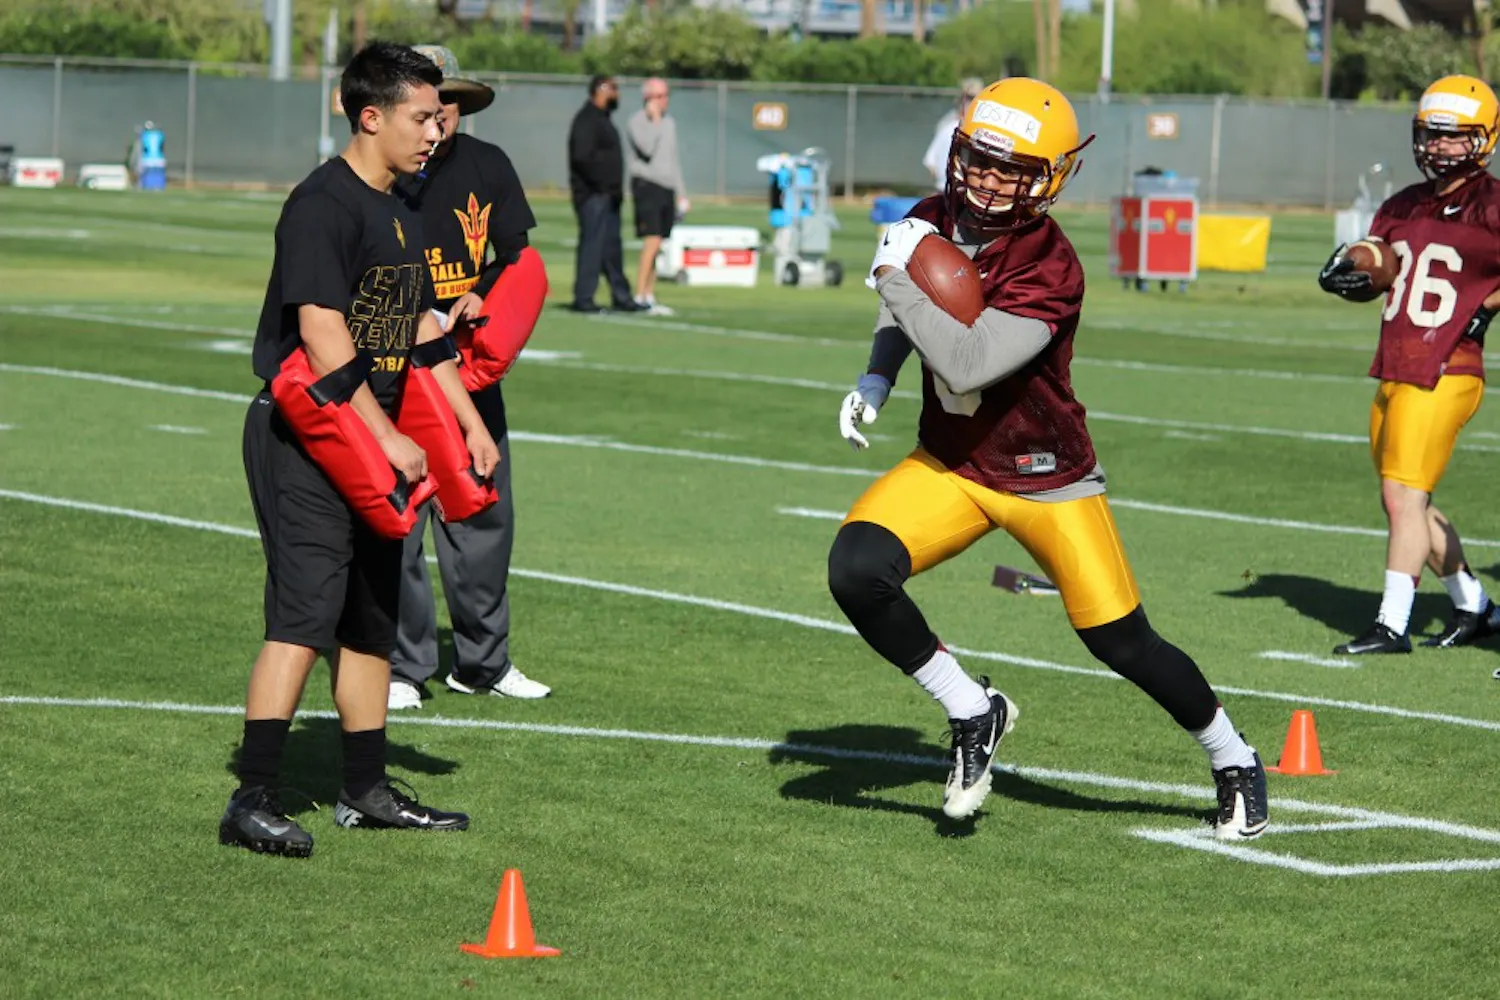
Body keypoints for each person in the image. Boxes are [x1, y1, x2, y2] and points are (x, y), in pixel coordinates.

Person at [829, 78, 1269, 840]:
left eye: (1013, 170)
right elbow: (903, 306)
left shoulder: (1050, 264)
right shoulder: (931, 217)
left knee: (1121, 640)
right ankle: (973, 708)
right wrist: (879, 372)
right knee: (856, 569)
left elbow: (966, 361)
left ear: (1050, 177)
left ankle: (1235, 757)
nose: (990, 180)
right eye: (979, 160)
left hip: (1044, 476)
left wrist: (894, 278)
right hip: (953, 464)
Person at [222, 42, 500, 858]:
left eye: (440, 115)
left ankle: (365, 792)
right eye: (422, 115)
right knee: (303, 621)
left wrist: (469, 423)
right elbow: (320, 332)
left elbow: (415, 331)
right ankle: (252, 799)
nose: (436, 129)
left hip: (373, 444)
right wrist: (387, 437)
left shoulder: (402, 209)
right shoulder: (323, 204)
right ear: (370, 115)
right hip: (306, 439)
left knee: (373, 624)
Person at [386, 45, 551, 710]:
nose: (439, 115)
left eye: (448, 101)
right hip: (397, 373)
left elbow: (516, 257)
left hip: (470, 369)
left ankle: (482, 663)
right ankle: (403, 666)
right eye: (427, 101)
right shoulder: (383, 175)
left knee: (484, 517)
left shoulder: (489, 166)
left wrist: (486, 293)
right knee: (401, 518)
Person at [1317, 74, 1500, 655]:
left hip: (1449, 366)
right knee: (1403, 498)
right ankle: (1476, 604)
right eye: (1432, 135)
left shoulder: (1493, 205)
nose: (1440, 147)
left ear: (1485, 138)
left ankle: (1392, 624)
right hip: (1396, 362)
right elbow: (1383, 264)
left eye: (1455, 137)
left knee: (1403, 498)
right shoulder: (1401, 204)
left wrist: (1485, 309)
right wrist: (1352, 268)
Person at [568, 74, 643, 314]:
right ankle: (584, 297)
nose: (617, 95)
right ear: (601, 90)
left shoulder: (603, 119)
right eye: (614, 89)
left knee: (611, 247)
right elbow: (582, 157)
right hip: (593, 196)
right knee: (593, 246)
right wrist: (601, 184)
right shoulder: (587, 120)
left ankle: (621, 295)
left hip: (608, 196)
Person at [626, 77, 690, 316]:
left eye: (666, 95)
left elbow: (674, 161)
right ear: (649, 98)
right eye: (660, 96)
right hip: (647, 185)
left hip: (666, 187)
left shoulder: (670, 123)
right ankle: (639, 294)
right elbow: (646, 147)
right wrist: (653, 120)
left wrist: (681, 193)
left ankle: (649, 294)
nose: (665, 100)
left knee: (660, 241)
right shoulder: (637, 121)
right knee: (651, 241)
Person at [921, 78, 982, 194]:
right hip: (954, 191)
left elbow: (930, 163)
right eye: (969, 97)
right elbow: (932, 162)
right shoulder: (948, 125)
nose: (971, 102)